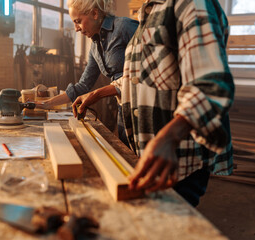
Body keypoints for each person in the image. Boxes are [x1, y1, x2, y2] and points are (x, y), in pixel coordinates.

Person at [72, 0, 234, 207]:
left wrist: (169, 137)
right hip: (154, 154)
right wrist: (95, 94)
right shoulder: (150, 12)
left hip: (179, 156)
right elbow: (138, 77)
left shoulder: (190, 4)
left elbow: (212, 84)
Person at [36, 0, 138, 146]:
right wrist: (46, 104)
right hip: (124, 107)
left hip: (145, 105)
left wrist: (96, 94)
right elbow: (83, 85)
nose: (76, 28)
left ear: (95, 13)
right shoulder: (95, 47)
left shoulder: (124, 27)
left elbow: (149, 69)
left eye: (78, 21)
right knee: (129, 154)